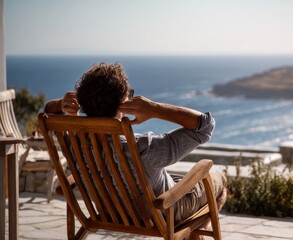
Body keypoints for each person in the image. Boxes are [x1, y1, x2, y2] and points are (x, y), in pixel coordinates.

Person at [44, 63, 227, 228]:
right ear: (123, 104)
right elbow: (205, 126)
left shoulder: (76, 145)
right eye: (128, 95)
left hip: (111, 213)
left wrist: (61, 104)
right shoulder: (144, 149)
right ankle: (195, 233)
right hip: (162, 214)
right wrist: (154, 109)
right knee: (219, 179)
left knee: (174, 179)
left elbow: (46, 112)